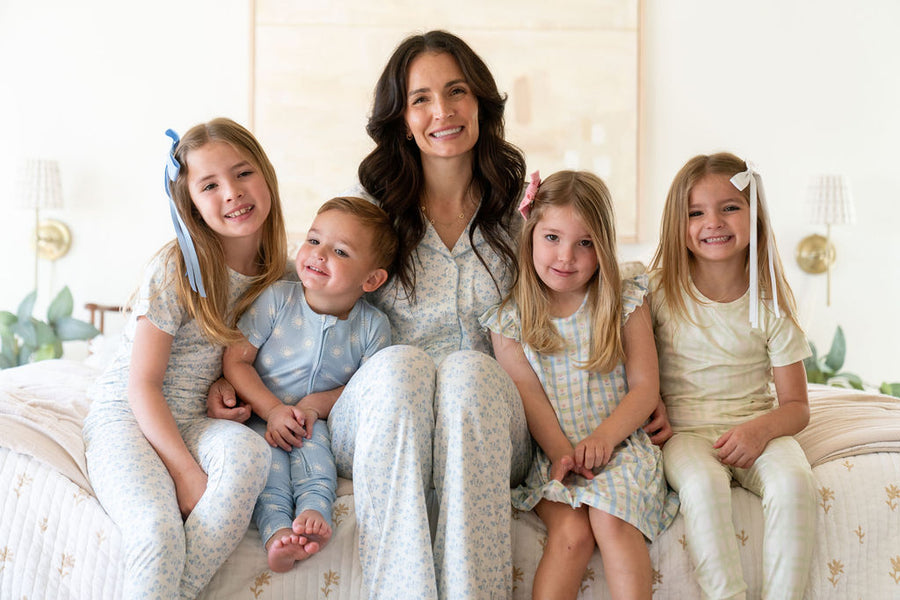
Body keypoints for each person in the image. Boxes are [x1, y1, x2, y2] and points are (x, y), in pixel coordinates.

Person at [209, 30, 532, 599]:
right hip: (381, 418)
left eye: (456, 91)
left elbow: (581, 304)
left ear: (481, 101)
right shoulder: (368, 204)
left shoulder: (521, 212)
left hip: (486, 424)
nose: (442, 111)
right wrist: (228, 376)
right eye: (421, 99)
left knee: (468, 372)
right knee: (401, 363)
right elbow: (303, 285)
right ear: (401, 118)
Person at [82, 117, 286, 599]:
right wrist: (186, 473)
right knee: (157, 531)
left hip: (195, 420)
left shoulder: (280, 277)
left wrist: (226, 386)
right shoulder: (175, 268)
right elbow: (142, 385)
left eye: (243, 173)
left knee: (250, 453)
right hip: (131, 415)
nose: (232, 192)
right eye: (209, 185)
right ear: (189, 203)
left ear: (266, 175)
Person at [482, 170, 678, 600]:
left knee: (611, 519)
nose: (566, 257)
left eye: (584, 243)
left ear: (603, 246)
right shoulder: (510, 319)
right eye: (552, 238)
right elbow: (530, 398)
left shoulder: (625, 299)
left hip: (621, 447)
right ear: (530, 235)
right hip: (552, 453)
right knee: (572, 534)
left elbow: (645, 388)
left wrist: (605, 439)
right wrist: (562, 454)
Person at [649, 153, 816, 599]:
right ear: (677, 224)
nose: (713, 222)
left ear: (754, 215)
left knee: (794, 483)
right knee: (703, 486)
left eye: (729, 207)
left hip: (756, 426)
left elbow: (797, 407)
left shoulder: (770, 304)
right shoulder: (657, 291)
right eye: (696, 213)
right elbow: (632, 364)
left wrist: (760, 430)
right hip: (685, 434)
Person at [222, 196, 396, 573]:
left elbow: (365, 389)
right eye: (314, 240)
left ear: (371, 279)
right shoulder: (277, 299)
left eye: (340, 251)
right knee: (267, 469)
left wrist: (316, 406)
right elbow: (236, 360)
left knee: (318, 463)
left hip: (315, 424)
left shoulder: (373, 327)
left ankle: (315, 512)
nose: (319, 254)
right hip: (261, 415)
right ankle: (277, 532)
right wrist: (272, 410)